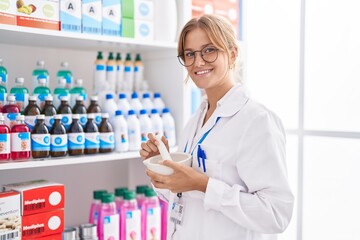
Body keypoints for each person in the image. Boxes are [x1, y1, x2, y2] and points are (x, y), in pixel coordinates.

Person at [139, 14, 294, 240]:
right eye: (189, 54)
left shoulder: (256, 121)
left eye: (209, 50)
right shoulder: (196, 120)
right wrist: (163, 168)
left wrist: (203, 185)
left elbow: (276, 214)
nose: (198, 62)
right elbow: (183, 199)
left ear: (232, 54)